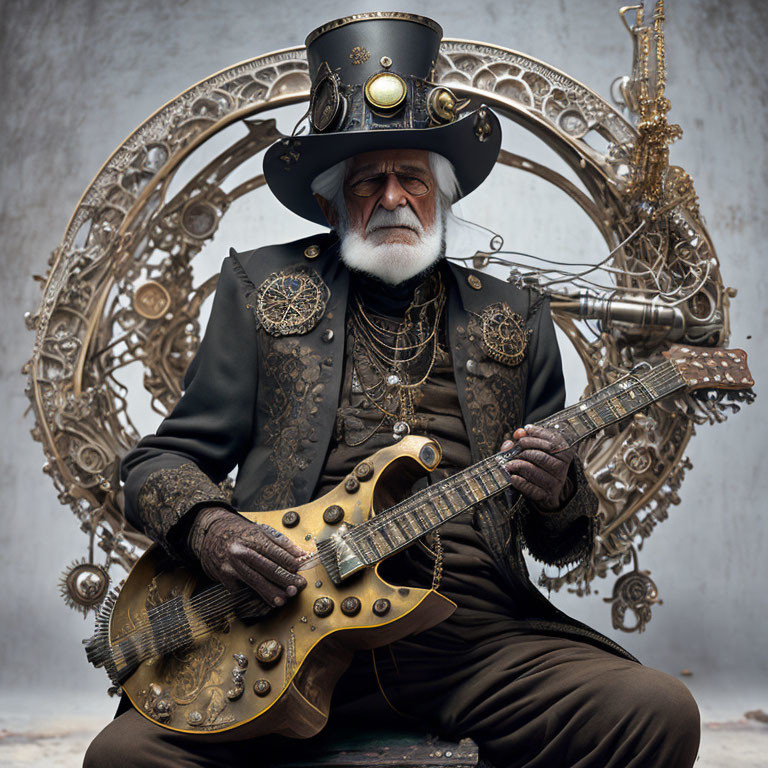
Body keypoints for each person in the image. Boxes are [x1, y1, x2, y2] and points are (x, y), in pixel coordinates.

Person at [84, 12, 700, 768]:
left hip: (475, 645)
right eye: (368, 181)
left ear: (443, 196)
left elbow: (559, 541)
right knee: (126, 759)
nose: (394, 197)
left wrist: (556, 490)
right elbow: (155, 464)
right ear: (330, 204)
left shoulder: (517, 313)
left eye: (413, 177)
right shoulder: (260, 286)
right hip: (286, 634)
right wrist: (215, 531)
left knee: (655, 713)